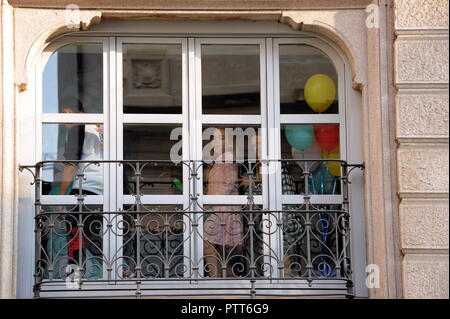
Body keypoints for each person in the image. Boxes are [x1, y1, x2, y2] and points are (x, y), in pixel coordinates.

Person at [203, 128, 243, 277]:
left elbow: (228, 184)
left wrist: (208, 200)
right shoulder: (219, 160)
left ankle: (217, 278)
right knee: (221, 249)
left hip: (225, 209)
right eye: (214, 138)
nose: (215, 142)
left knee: (207, 240)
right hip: (218, 208)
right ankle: (223, 278)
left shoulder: (229, 158)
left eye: (219, 139)